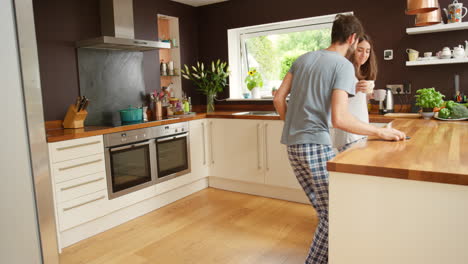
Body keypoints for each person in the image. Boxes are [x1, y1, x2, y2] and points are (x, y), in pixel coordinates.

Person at [273, 14, 406, 264]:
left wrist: (293, 126)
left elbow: (278, 99)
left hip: (292, 146)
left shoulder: (301, 59)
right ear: (353, 38)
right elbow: (340, 119)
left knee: (325, 211)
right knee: (336, 213)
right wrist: (380, 131)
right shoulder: (342, 65)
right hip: (315, 144)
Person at [333, 34, 378, 152]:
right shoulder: (345, 71)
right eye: (360, 50)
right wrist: (355, 89)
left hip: (359, 132)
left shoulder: (357, 74)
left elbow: (353, 102)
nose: (364, 55)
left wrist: (367, 95)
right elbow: (334, 99)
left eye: (368, 51)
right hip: (349, 135)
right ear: (352, 50)